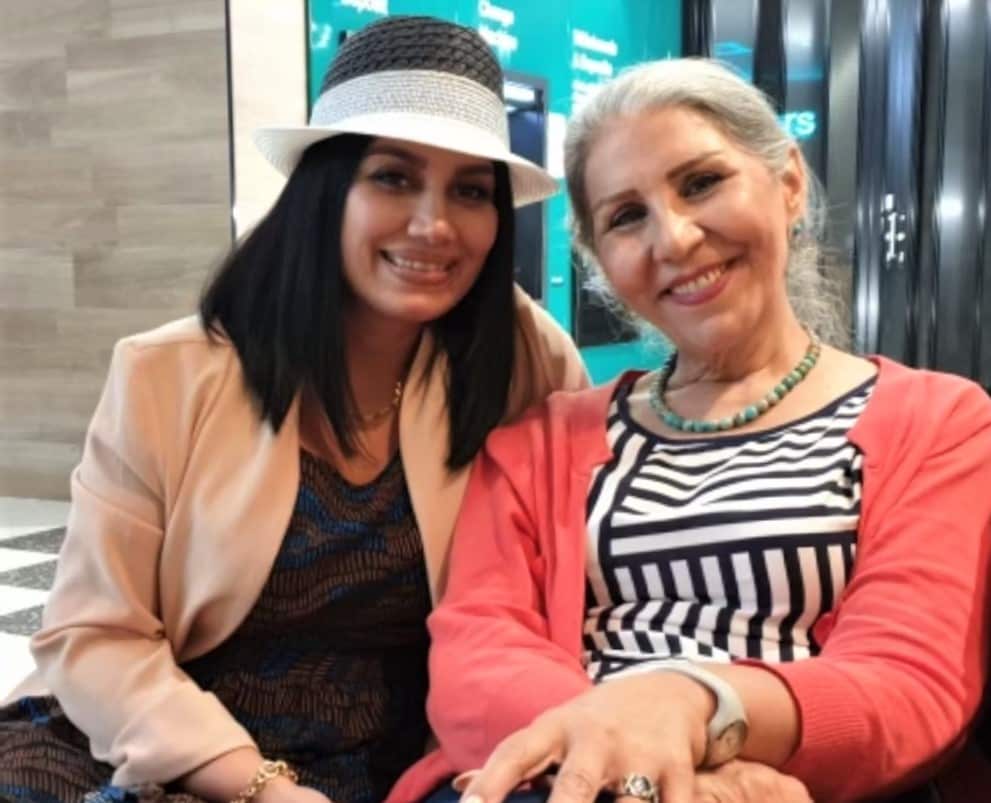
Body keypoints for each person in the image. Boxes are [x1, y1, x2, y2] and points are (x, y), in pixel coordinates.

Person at [0, 16, 590, 803]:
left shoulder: (526, 365)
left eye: (471, 190)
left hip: (400, 757)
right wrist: (260, 787)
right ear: (324, 188)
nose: (433, 224)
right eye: (392, 177)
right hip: (164, 736)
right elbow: (94, 633)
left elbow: (567, 597)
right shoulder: (167, 373)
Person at [388, 59, 991, 803]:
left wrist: (695, 708)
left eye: (701, 183)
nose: (672, 238)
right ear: (601, 261)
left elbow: (908, 679)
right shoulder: (538, 440)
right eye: (625, 216)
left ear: (789, 183)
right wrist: (644, 769)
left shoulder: (940, 422)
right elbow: (477, 659)